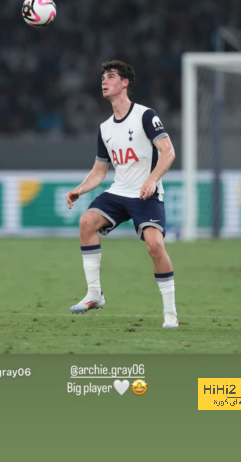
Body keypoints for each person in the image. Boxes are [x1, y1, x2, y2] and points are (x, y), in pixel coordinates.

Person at [66, 60, 178, 328]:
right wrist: (79, 190)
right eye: (103, 77)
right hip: (118, 192)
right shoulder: (105, 128)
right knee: (86, 222)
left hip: (146, 195)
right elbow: (99, 171)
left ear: (125, 83)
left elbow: (169, 151)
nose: (104, 81)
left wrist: (152, 179)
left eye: (111, 76)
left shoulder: (145, 115)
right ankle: (94, 295)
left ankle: (170, 313)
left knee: (155, 246)